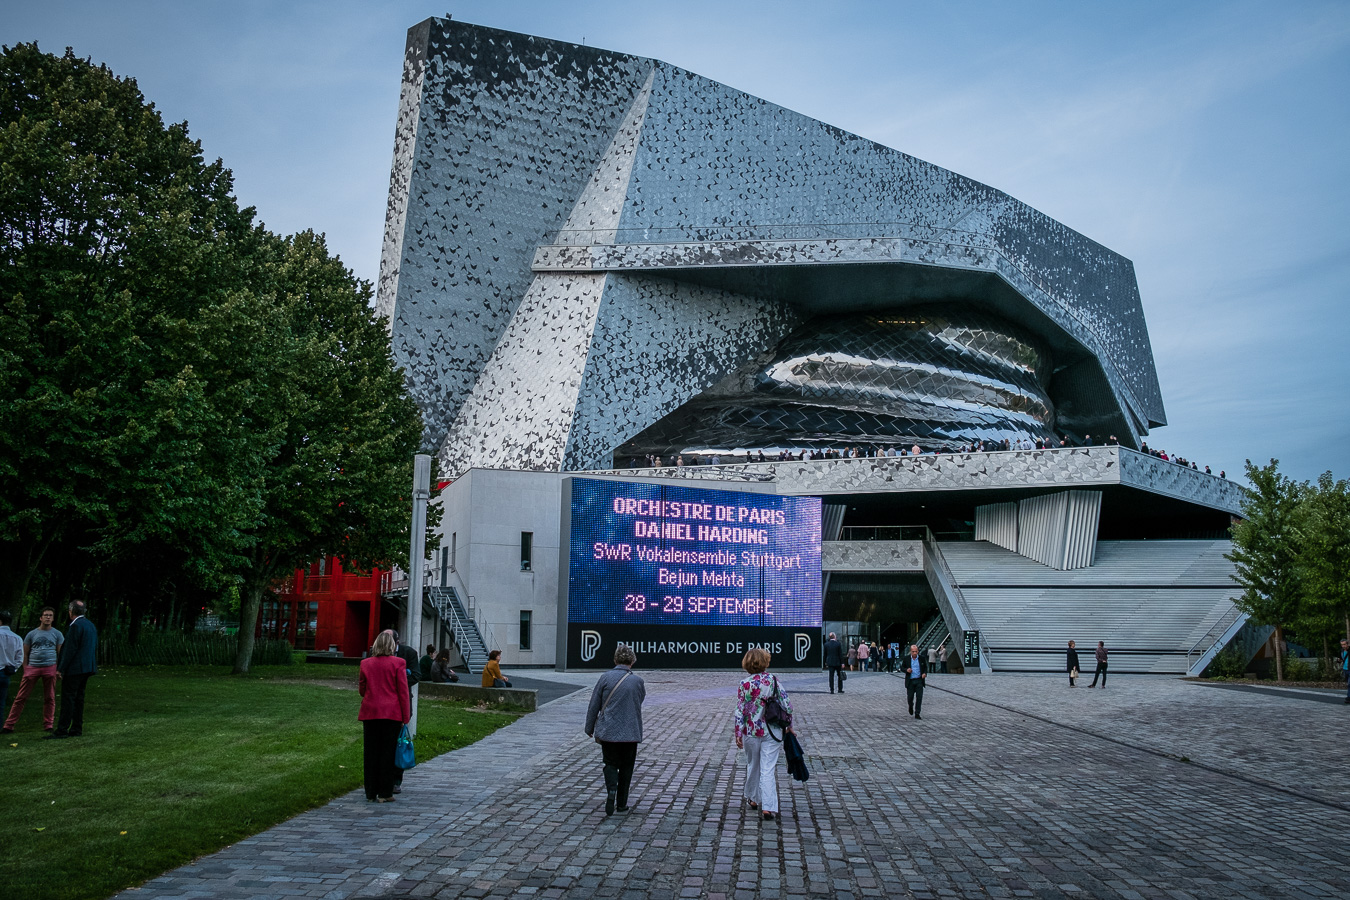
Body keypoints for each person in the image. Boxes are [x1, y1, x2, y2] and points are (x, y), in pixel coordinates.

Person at [733, 647, 794, 821]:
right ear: (765, 661)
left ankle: (753, 798)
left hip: (751, 731)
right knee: (768, 768)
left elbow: (740, 711)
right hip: (772, 730)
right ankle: (768, 807)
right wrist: (790, 726)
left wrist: (738, 732)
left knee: (753, 765)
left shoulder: (744, 684)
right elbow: (787, 705)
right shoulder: (773, 681)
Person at [584, 644, 646, 815]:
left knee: (610, 763)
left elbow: (594, 705)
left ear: (615, 659)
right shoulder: (638, 681)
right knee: (627, 767)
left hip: (609, 732)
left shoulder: (605, 678)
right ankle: (622, 804)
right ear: (632, 661)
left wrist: (589, 727)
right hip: (630, 733)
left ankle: (611, 789)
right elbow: (638, 702)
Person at [358, 630, 411, 802]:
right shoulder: (399, 663)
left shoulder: (365, 664)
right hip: (392, 713)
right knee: (388, 753)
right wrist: (406, 717)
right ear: (392, 645)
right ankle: (385, 792)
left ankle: (370, 791)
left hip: (370, 712)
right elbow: (402, 691)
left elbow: (362, 690)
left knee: (371, 752)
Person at [2, 607, 63, 734]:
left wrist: (59, 669)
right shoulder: (32, 634)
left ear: (53, 618)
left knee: (50, 697)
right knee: (21, 697)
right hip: (33, 667)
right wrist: (26, 668)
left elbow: (60, 653)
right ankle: (9, 725)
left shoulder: (57, 634)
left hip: (50, 666)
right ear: (41, 618)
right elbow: (25, 653)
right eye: (45, 615)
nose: (48, 617)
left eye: (50, 615)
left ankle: (48, 724)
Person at [50, 601, 97, 739]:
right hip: (87, 667)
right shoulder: (90, 625)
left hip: (75, 668)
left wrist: (61, 668)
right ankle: (77, 728)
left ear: (71, 611)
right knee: (79, 698)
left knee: (68, 698)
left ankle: (62, 729)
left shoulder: (75, 626)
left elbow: (70, 649)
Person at [0, 610, 23, 716]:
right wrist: (13, 669)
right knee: (1, 703)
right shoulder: (17, 638)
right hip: (6, 672)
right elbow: (19, 658)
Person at [903, 644, 927, 719]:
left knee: (919, 697)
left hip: (919, 680)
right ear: (910, 651)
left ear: (918, 651)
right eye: (913, 652)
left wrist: (924, 673)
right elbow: (902, 667)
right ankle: (910, 706)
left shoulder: (921, 658)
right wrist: (906, 670)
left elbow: (925, 667)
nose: (914, 653)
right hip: (910, 681)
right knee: (910, 697)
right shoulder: (906, 658)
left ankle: (917, 713)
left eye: (916, 651)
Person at [1340, 639, 1348, 705]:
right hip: (1345, 669)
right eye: (1342, 645)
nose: (1343, 646)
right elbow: (1342, 659)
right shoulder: (1342, 651)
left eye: (1344, 644)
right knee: (1348, 684)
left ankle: (1348, 697)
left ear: (1347, 644)